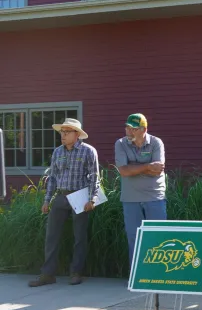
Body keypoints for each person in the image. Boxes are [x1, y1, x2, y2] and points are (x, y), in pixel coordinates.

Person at [29, 119, 99, 287]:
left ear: (77, 134)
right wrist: (47, 200)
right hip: (61, 196)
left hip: (80, 195)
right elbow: (52, 178)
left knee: (79, 236)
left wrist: (92, 199)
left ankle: (76, 272)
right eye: (62, 131)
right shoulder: (57, 152)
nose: (63, 135)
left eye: (67, 131)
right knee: (51, 235)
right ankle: (48, 274)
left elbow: (94, 177)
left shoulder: (88, 151)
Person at [115, 114, 166, 268]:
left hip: (155, 196)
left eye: (133, 129)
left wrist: (134, 167)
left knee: (158, 237)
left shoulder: (156, 142)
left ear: (144, 129)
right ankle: (136, 275)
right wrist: (146, 166)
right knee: (134, 238)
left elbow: (157, 170)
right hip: (130, 198)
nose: (129, 132)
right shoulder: (120, 143)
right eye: (127, 127)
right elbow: (123, 171)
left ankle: (158, 274)